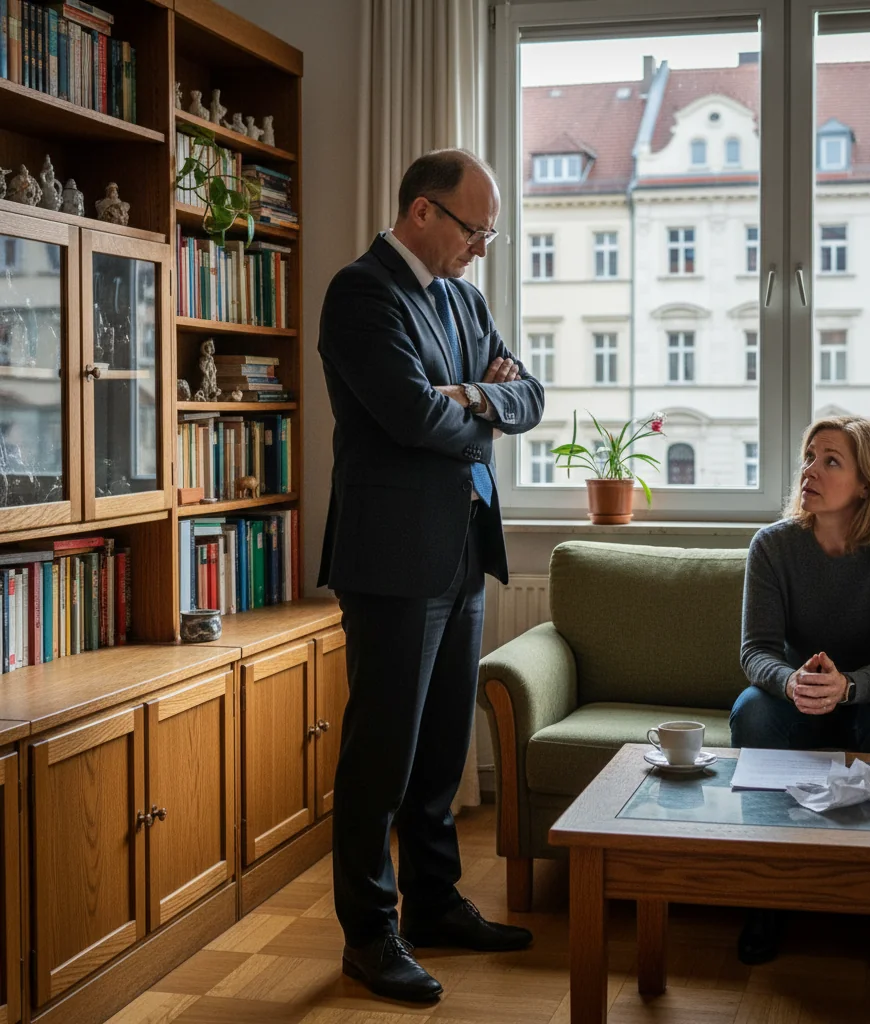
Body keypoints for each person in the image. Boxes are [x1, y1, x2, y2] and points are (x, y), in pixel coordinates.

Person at [317, 149, 545, 1002]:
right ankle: (369, 936)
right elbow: (411, 417)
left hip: (460, 548)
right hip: (390, 558)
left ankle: (435, 905)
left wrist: (474, 399)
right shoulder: (361, 292)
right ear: (422, 212)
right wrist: (471, 402)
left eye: (491, 231)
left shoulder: (464, 296)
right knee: (382, 755)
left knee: (445, 744)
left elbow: (530, 395)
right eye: (474, 228)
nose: (483, 246)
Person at [729, 415, 870, 978]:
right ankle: (766, 900)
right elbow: (757, 652)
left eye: (830, 460)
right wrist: (793, 681)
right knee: (751, 711)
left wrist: (848, 687)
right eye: (809, 456)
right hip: (801, 701)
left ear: (867, 483)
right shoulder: (771, 546)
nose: (809, 471)